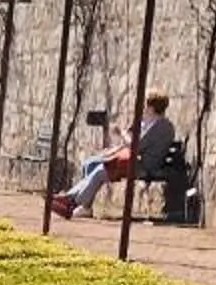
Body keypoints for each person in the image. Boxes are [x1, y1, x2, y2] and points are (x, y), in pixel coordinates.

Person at [53, 91, 178, 219]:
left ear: (151, 107)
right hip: (136, 160)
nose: (143, 107)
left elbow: (136, 146)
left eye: (145, 104)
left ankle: (72, 201)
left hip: (145, 166)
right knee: (91, 163)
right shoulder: (150, 122)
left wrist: (121, 133)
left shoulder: (161, 126)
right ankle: (81, 205)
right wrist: (115, 149)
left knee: (101, 170)